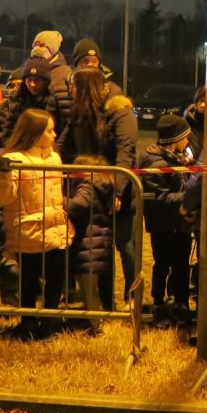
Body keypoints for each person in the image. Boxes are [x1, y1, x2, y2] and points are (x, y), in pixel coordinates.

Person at [58, 67, 137, 307]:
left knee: (126, 246)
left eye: (73, 86)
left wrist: (118, 191)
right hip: (91, 191)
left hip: (117, 191)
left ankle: (132, 297)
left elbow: (126, 154)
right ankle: (105, 302)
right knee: (99, 247)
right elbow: (62, 146)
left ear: (85, 88)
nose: (69, 90)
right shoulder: (79, 114)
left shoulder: (120, 112)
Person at [0, 108, 71, 340]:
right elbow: (4, 198)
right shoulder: (14, 160)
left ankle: (49, 321)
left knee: (56, 277)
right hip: (29, 229)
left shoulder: (54, 157)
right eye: (49, 131)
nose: (54, 135)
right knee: (29, 279)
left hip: (55, 226)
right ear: (35, 133)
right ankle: (28, 322)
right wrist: (4, 176)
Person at [139, 113, 195, 324]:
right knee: (162, 264)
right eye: (185, 137)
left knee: (182, 264)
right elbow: (160, 198)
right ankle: (158, 304)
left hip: (180, 223)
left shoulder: (175, 158)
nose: (188, 141)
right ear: (175, 139)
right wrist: (190, 195)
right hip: (162, 225)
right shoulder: (155, 163)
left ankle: (181, 302)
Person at [68, 154, 118, 326]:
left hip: (88, 244)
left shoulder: (87, 185)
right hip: (99, 242)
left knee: (89, 289)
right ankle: (95, 320)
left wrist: (57, 201)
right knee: (91, 288)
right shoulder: (103, 184)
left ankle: (95, 324)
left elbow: (78, 205)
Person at [0, 59, 52, 148]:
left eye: (37, 80)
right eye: (29, 80)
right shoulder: (16, 103)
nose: (32, 84)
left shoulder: (51, 103)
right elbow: (7, 135)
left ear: (45, 82)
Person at [27, 29, 74, 130]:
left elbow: (65, 113)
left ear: (53, 48)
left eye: (42, 45)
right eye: (35, 45)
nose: (37, 49)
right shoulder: (29, 68)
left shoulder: (64, 73)